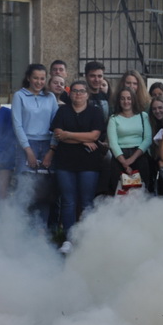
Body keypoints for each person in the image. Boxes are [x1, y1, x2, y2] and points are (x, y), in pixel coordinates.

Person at [51, 80, 107, 253]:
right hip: (65, 161)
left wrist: (69, 135)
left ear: (87, 94)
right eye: (75, 91)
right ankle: (69, 239)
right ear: (70, 93)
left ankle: (86, 238)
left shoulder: (95, 112)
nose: (78, 94)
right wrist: (84, 139)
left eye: (82, 91)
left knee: (86, 202)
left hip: (88, 162)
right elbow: (58, 134)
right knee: (68, 201)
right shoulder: (63, 110)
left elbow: (95, 135)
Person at [11, 64, 59, 230]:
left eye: (42, 78)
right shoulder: (19, 96)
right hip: (26, 145)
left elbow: (56, 125)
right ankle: (21, 231)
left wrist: (51, 150)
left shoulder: (51, 97)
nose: (39, 82)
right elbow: (17, 125)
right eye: (35, 78)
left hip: (47, 145)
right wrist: (28, 150)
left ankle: (42, 232)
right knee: (24, 191)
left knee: (44, 192)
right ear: (28, 78)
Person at [107, 87, 152, 187]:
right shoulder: (113, 119)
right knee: (120, 193)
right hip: (119, 158)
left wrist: (132, 159)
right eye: (122, 98)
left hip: (139, 157)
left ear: (133, 100)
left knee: (140, 193)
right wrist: (124, 163)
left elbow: (148, 139)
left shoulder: (143, 116)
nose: (126, 101)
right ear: (119, 101)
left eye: (129, 98)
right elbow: (113, 143)